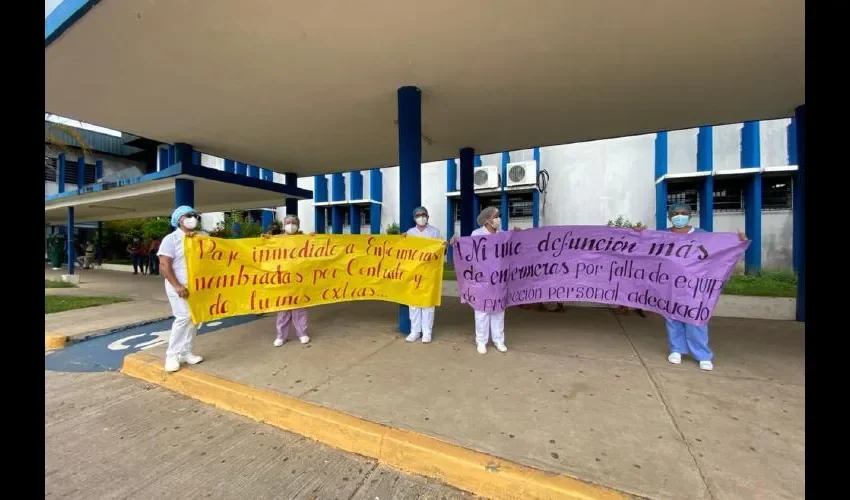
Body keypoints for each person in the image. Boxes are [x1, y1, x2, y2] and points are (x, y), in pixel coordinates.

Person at [635, 203, 747, 371]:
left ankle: (702, 354)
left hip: (695, 284)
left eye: (683, 213)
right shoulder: (663, 235)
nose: (679, 216)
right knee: (672, 316)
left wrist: (737, 242)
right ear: (669, 216)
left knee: (696, 318)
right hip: (669, 283)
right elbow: (645, 248)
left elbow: (718, 249)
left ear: (689, 215)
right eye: (675, 213)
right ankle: (677, 350)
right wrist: (639, 235)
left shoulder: (701, 235)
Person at [451, 206, 521, 354]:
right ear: (487, 220)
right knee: (482, 311)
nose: (498, 219)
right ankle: (481, 341)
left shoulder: (503, 234)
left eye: (499, 216)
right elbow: (468, 249)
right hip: (481, 278)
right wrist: (457, 242)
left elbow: (514, 248)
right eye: (496, 216)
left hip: (499, 279)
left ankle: (498, 340)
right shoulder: (476, 234)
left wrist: (517, 235)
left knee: (498, 310)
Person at [158, 205, 206, 372]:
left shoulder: (200, 237)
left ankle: (186, 352)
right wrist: (177, 286)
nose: (193, 218)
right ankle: (172, 355)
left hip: (197, 286)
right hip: (177, 285)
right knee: (183, 317)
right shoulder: (171, 239)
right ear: (179, 219)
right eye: (188, 215)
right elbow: (164, 265)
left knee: (195, 319)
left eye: (195, 215)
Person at [263, 215, 313, 347]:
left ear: (298, 224)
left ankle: (302, 333)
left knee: (300, 309)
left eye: (294, 222)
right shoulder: (277, 240)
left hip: (299, 280)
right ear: (284, 225)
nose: (291, 225)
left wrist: (315, 239)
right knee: (283, 310)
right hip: (282, 280)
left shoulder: (304, 239)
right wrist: (265, 241)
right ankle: (281, 336)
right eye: (288, 222)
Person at [401, 206, 446, 344]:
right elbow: (402, 251)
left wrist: (444, 246)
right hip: (414, 272)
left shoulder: (435, 232)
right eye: (419, 215)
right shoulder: (409, 233)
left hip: (430, 272)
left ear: (428, 216)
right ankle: (415, 331)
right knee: (413, 303)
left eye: (424, 214)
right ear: (414, 218)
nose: (422, 217)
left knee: (427, 303)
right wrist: (400, 240)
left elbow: (442, 252)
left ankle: (427, 332)